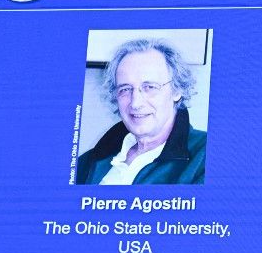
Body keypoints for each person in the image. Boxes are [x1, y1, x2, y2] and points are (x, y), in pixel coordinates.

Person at [76, 38, 206, 185]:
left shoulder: (205, 157)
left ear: (177, 90)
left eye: (150, 87)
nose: (136, 103)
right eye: (125, 89)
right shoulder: (87, 163)